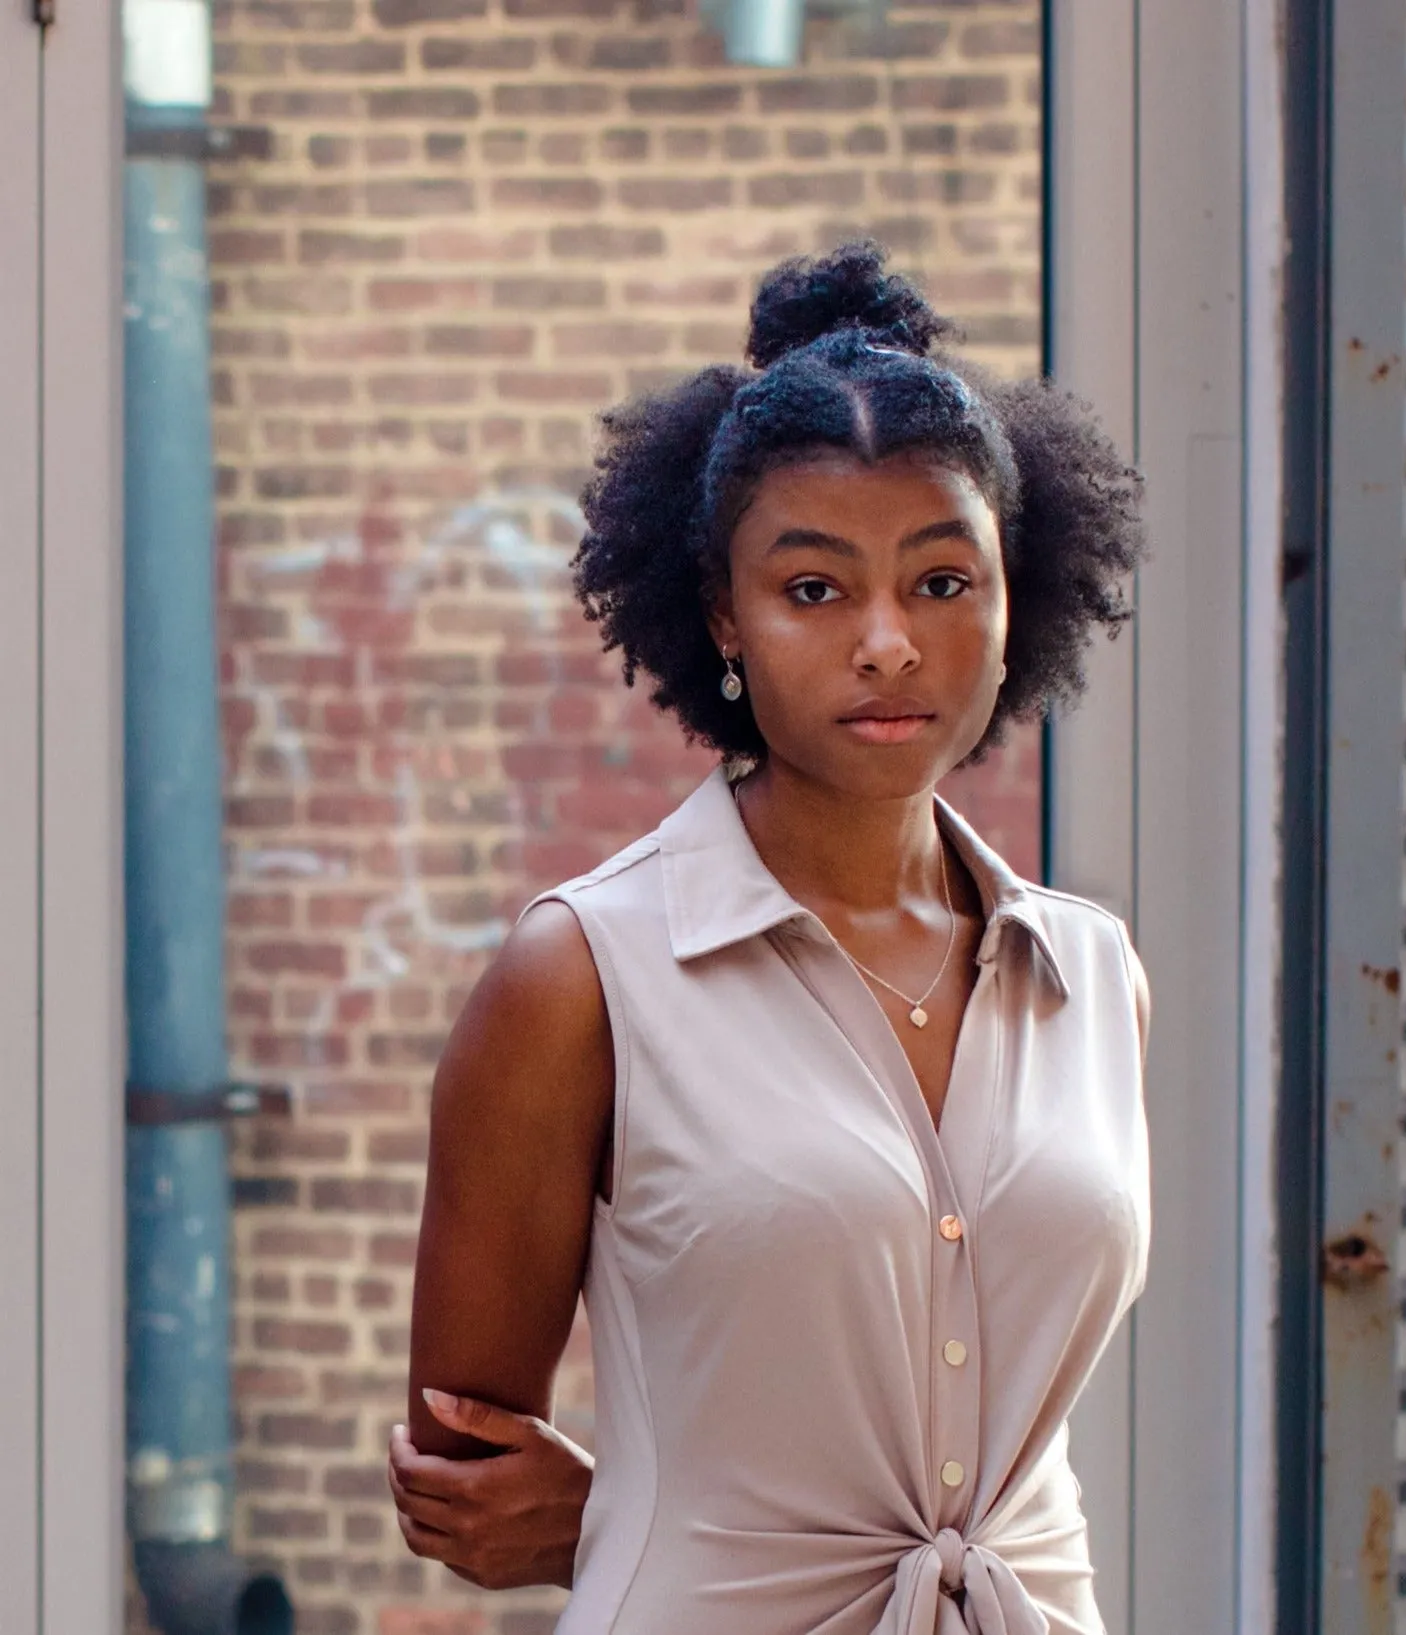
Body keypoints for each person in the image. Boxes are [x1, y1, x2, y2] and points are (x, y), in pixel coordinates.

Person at [388, 241, 1150, 1634]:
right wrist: (641, 1521)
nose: (885, 642)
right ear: (723, 613)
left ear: (1010, 596)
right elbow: (460, 1473)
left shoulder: (1091, 976)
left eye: (939, 579)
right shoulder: (583, 978)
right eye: (814, 589)